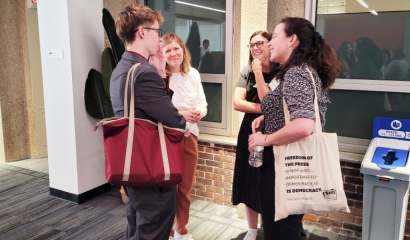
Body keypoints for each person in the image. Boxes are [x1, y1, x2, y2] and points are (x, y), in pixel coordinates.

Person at [248, 17, 337, 239]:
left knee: (281, 232)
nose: (269, 43)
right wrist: (267, 116)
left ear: (292, 40)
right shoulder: (294, 71)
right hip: (290, 163)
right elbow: (286, 108)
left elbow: (305, 125)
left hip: (283, 165)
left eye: (275, 37)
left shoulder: (296, 73)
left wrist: (265, 139)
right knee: (289, 228)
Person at [110, 4, 187, 240]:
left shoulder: (123, 67)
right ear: (142, 32)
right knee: (154, 227)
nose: (160, 38)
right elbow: (175, 122)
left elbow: (147, 110)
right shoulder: (143, 73)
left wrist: (161, 72)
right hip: (151, 168)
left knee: (138, 226)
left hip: (134, 163)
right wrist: (160, 75)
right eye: (156, 31)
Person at [232, 30, 279, 240]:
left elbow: (277, 107)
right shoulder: (247, 70)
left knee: (269, 182)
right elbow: (237, 102)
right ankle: (251, 230)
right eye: (251, 45)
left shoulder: (282, 71)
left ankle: (270, 228)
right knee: (249, 179)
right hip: (250, 131)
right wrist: (265, 108)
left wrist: (267, 109)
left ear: (271, 45)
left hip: (276, 131)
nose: (255, 48)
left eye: (260, 43)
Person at [162, 33, 208, 240]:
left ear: (183, 50)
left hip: (191, 135)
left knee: (185, 187)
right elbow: (159, 111)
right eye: (168, 50)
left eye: (176, 48)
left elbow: (202, 103)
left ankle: (181, 229)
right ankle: (166, 230)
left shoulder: (194, 74)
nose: (173, 54)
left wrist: (198, 112)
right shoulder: (159, 77)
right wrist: (183, 114)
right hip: (168, 137)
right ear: (162, 54)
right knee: (167, 187)